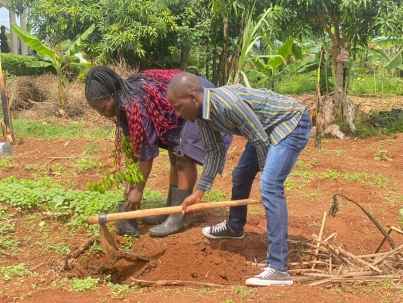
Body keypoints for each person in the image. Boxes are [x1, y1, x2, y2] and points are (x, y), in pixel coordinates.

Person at [166, 72, 311, 287]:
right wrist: (199, 192)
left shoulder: (227, 104)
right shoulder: (203, 116)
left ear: (193, 98)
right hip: (261, 128)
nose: (177, 113)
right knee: (240, 175)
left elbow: (260, 138)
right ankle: (235, 227)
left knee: (270, 185)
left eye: (178, 107)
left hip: (290, 122)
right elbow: (214, 151)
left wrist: (268, 181)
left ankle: (279, 267)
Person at [84, 66, 233, 237]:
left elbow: (146, 153)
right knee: (174, 154)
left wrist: (138, 190)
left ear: (112, 96)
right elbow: (132, 148)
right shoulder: (122, 105)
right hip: (176, 107)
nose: (103, 114)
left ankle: (178, 217)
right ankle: (171, 209)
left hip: (194, 100)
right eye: (99, 112)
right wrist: (130, 183)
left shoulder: (135, 105)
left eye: (103, 109)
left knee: (184, 157)